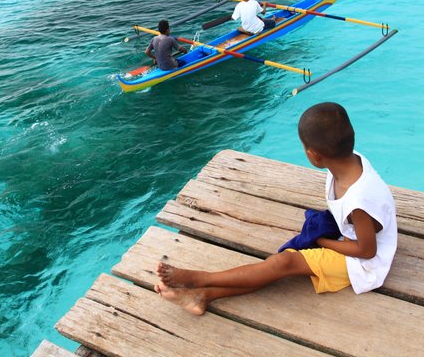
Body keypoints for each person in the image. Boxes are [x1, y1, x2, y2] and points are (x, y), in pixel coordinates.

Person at [154, 102, 398, 315]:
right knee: (276, 266)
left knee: (282, 264)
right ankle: (202, 296)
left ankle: (200, 280)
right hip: (352, 239)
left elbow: (366, 251)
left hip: (364, 265)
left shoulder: (359, 201)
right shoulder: (348, 160)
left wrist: (321, 241)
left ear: (313, 156)